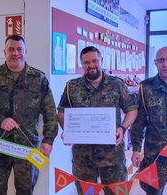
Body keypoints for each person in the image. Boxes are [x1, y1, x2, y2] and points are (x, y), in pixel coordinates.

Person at [0, 35, 58, 195]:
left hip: (27, 147)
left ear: (26, 52)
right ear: (4, 52)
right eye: (11, 49)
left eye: (19, 49)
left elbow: (50, 113)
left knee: (25, 191)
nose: (15, 53)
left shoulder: (39, 78)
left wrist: (48, 139)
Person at [57, 46, 138, 195]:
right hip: (83, 158)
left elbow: (132, 109)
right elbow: (61, 112)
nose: (91, 65)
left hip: (112, 158)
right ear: (81, 64)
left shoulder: (117, 84)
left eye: (95, 61)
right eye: (86, 62)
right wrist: (67, 130)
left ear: (101, 61)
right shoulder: (72, 86)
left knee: (117, 193)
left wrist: (123, 127)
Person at [130, 46, 167, 195]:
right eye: (161, 60)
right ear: (155, 63)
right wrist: (136, 148)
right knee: (153, 190)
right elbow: (139, 121)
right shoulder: (145, 87)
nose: (165, 64)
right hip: (156, 152)